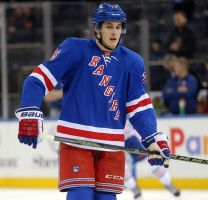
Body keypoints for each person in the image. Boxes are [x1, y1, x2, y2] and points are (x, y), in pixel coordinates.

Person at [15, 3, 170, 200]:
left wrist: (152, 138)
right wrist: (29, 111)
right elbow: (36, 80)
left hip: (112, 146)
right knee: (81, 195)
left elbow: (139, 107)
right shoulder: (74, 49)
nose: (115, 32)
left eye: (118, 26)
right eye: (109, 26)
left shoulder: (133, 62)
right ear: (97, 28)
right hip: (76, 143)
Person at [124, 121, 180, 200]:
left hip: (130, 138)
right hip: (114, 140)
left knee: (152, 160)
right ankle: (134, 189)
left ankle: (168, 184)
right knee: (121, 167)